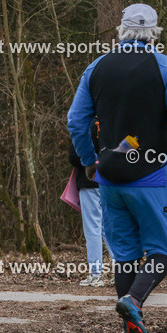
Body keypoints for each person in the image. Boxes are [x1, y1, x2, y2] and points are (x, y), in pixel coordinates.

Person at [68, 3, 167, 333]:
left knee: (126, 256)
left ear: (122, 30)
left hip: (109, 179)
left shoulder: (97, 67)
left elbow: (75, 120)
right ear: (154, 33)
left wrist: (89, 161)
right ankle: (134, 300)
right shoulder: (165, 67)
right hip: (150, 177)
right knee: (165, 250)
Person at [67, 119, 113, 287]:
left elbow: (73, 156)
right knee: (108, 227)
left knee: (92, 228)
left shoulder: (85, 124)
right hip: (111, 182)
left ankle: (96, 274)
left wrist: (89, 161)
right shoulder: (113, 121)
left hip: (89, 181)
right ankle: (122, 270)